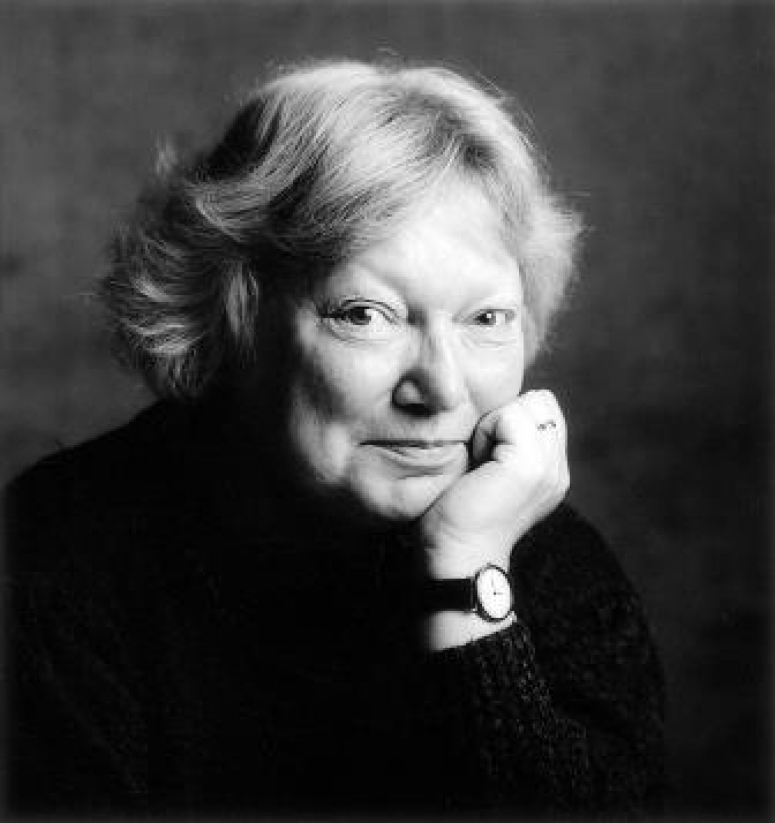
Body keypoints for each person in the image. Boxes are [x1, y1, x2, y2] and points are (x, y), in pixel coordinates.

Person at [5, 58, 665, 817]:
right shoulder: (54, 566)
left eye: (485, 319)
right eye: (366, 314)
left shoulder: (540, 557)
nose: (443, 390)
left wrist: (468, 573)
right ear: (235, 316)